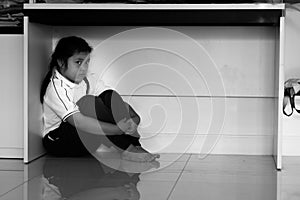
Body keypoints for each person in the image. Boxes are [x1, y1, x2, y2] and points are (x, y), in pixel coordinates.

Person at [40, 36, 159, 162]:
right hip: (60, 143)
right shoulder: (56, 88)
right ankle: (127, 149)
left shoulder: (87, 79)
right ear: (61, 62)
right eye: (78, 62)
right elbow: (79, 122)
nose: (84, 68)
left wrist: (135, 118)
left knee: (109, 95)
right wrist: (117, 130)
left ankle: (134, 146)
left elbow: (114, 102)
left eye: (86, 62)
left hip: (86, 141)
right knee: (88, 103)